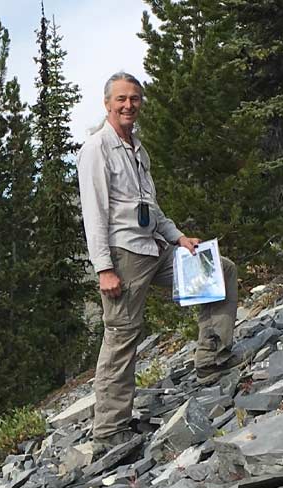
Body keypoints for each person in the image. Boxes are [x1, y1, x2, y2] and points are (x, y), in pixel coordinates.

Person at [77, 72, 244, 453]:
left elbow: (150, 207)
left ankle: (212, 359)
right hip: (124, 256)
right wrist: (104, 268)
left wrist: (178, 238)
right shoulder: (96, 149)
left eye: (134, 99)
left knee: (219, 269)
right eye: (121, 99)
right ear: (107, 104)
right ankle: (109, 429)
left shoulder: (137, 148)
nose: (128, 105)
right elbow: (94, 214)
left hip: (155, 247)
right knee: (121, 336)